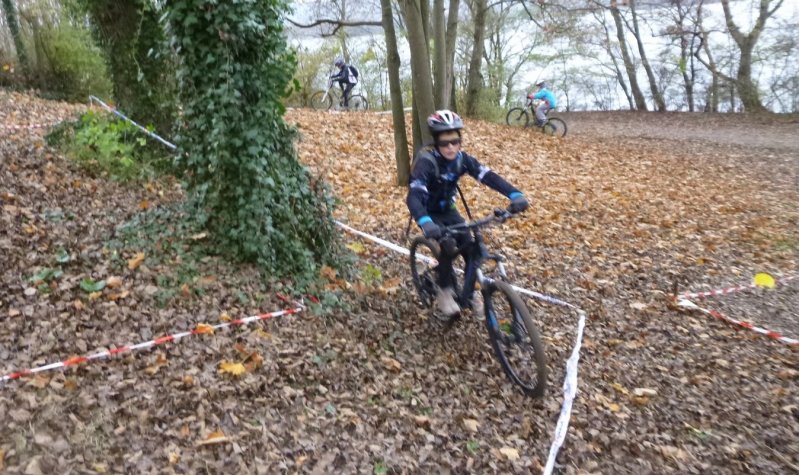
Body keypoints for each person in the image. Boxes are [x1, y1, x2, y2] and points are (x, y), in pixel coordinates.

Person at [406, 110, 530, 317]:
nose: (451, 147)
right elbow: (414, 196)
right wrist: (425, 222)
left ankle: (470, 292)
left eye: (455, 141)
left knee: (470, 246)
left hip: (449, 210)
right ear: (436, 143)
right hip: (429, 213)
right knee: (448, 245)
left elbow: (489, 176)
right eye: (445, 143)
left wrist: (515, 195)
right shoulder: (427, 162)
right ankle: (444, 291)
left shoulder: (462, 160)